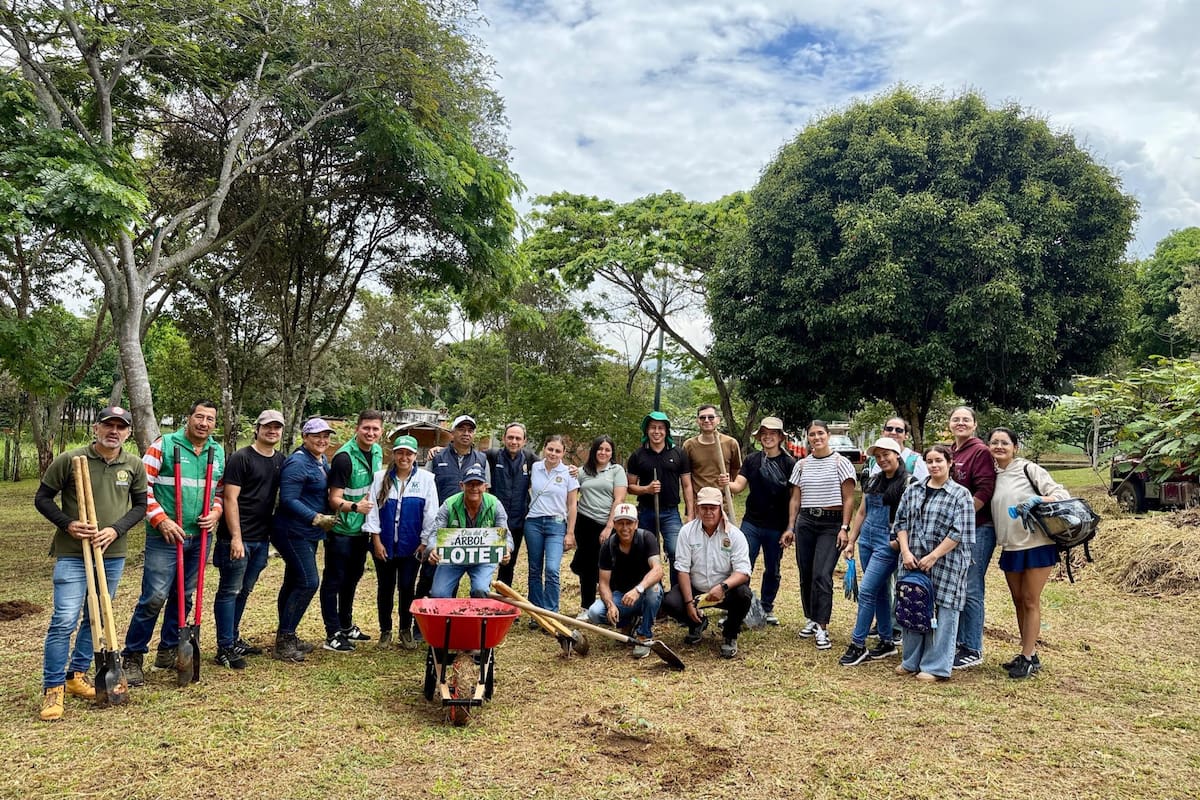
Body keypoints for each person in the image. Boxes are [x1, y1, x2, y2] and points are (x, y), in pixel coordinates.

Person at [35, 406, 147, 721]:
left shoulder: (134, 464)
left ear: (127, 432)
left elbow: (140, 506)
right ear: (96, 428)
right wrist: (68, 524)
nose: (114, 431)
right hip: (73, 553)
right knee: (64, 620)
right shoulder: (71, 460)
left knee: (96, 618)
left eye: (120, 427)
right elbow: (42, 498)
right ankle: (53, 687)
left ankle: (76, 676)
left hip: (112, 554)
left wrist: (116, 529)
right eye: (108, 425)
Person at [121, 400, 225, 686]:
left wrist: (216, 512)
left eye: (210, 419)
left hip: (200, 536)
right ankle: (132, 656)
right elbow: (142, 488)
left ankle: (168, 649)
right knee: (154, 597)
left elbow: (219, 490)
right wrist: (161, 520)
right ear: (188, 418)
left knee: (184, 596)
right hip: (165, 536)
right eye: (199, 417)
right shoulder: (164, 445)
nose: (204, 423)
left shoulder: (217, 452)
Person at [987, 427, 1070, 679]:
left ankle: (1027, 657)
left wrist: (1038, 501)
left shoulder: (1028, 469)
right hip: (1011, 546)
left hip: (1036, 544)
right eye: (994, 442)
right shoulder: (992, 474)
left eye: (1004, 443)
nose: (999, 446)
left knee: (1031, 599)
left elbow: (1061, 494)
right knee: (1018, 600)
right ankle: (1029, 652)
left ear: (1015, 447)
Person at [894, 444, 976, 681]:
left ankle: (936, 666)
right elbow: (901, 522)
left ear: (950, 463)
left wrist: (934, 556)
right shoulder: (913, 489)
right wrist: (906, 551)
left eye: (939, 460)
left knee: (945, 611)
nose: (934, 465)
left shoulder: (960, 494)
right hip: (912, 560)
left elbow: (960, 532)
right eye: (930, 461)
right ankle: (911, 661)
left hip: (947, 562)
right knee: (913, 606)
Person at [211, 409, 285, 669]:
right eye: (267, 427)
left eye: (277, 427)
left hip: (261, 538)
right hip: (236, 537)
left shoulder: (279, 460)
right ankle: (224, 646)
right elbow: (230, 498)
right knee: (229, 590)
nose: (272, 431)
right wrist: (235, 538)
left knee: (244, 589)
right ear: (257, 428)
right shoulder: (241, 458)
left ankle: (233, 638)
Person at [783, 420, 856, 650]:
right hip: (806, 521)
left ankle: (823, 627)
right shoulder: (802, 465)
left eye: (820, 433)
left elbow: (849, 498)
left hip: (830, 523)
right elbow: (795, 498)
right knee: (806, 572)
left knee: (822, 574)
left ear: (828, 435)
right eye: (812, 434)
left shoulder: (840, 462)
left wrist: (845, 527)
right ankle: (811, 618)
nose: (816, 438)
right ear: (808, 437)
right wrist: (790, 527)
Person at [271, 418, 337, 662]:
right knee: (309, 581)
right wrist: (316, 517)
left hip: (307, 533)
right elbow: (288, 499)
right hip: (292, 530)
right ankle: (284, 640)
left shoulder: (320, 460)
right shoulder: (298, 462)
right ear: (305, 437)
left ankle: (286, 634)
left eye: (326, 436)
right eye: (316, 436)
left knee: (293, 581)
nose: (322, 440)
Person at [363, 435, 438, 649]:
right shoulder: (379, 477)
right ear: (394, 454)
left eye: (409, 453)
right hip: (384, 543)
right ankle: (385, 631)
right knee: (385, 587)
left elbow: (431, 514)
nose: (404, 457)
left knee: (406, 587)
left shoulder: (426, 479)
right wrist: (376, 540)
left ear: (415, 456)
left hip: (411, 547)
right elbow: (372, 512)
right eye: (400, 452)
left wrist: (424, 542)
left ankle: (405, 629)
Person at [838, 438, 908, 666]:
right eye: (878, 456)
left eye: (886, 454)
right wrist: (851, 541)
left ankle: (858, 645)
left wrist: (897, 542)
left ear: (897, 454)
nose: (882, 459)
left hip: (886, 544)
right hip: (866, 540)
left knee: (867, 591)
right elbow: (861, 513)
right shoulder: (875, 479)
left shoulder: (908, 483)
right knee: (878, 592)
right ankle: (887, 641)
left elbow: (909, 518)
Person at [661, 487, 752, 658]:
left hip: (724, 590)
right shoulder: (686, 532)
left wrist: (723, 587)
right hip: (696, 589)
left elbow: (743, 572)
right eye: (704, 508)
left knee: (744, 595)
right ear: (697, 508)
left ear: (720, 508)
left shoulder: (735, 535)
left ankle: (730, 634)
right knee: (670, 601)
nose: (708, 512)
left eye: (713, 508)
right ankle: (697, 623)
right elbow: (682, 569)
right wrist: (688, 602)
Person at [321, 410, 382, 652]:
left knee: (353, 578)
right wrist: (356, 507)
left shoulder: (377, 452)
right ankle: (332, 633)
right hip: (342, 530)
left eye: (375, 429)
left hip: (363, 530)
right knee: (334, 580)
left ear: (381, 431)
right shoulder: (344, 458)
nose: (370, 433)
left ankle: (346, 625)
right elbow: (333, 499)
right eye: (366, 428)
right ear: (357, 428)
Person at [727, 416, 796, 626]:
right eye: (764, 433)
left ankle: (766, 606)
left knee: (772, 568)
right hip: (752, 523)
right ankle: (739, 605)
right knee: (743, 564)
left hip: (777, 526)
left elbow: (795, 496)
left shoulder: (789, 463)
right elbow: (738, 486)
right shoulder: (751, 460)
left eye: (772, 433)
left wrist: (790, 527)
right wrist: (725, 483)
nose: (768, 437)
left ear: (780, 437)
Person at [948, 406, 996, 670]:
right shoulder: (953, 452)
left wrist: (962, 520)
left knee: (972, 587)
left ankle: (972, 647)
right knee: (958, 585)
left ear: (975, 424)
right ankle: (958, 640)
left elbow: (985, 489)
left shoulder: (980, 452)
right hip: (955, 531)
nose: (961, 423)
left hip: (978, 528)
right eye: (956, 419)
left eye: (966, 419)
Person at [585, 503, 663, 658]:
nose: (625, 527)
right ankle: (628, 622)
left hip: (644, 593)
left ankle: (644, 635)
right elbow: (604, 583)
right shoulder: (608, 546)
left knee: (654, 591)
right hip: (620, 596)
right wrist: (610, 604)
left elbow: (658, 570)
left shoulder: (647, 538)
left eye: (629, 523)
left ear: (636, 524)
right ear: (614, 524)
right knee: (594, 612)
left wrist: (638, 590)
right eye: (620, 523)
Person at [425, 465, 512, 597]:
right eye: (470, 484)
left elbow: (506, 535)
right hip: (453, 557)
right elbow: (435, 533)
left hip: (483, 558)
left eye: (478, 484)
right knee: (439, 593)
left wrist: (507, 550)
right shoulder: (449, 505)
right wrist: (433, 549)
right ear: (462, 485)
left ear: (485, 486)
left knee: (481, 590)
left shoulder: (495, 505)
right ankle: (447, 617)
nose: (474, 488)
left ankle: (477, 617)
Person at [626, 411, 693, 580]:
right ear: (646, 431)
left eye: (661, 428)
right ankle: (651, 591)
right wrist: (646, 489)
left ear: (666, 431)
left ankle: (676, 595)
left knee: (676, 551)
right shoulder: (638, 455)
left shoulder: (678, 453)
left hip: (671, 513)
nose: (657, 432)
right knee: (646, 553)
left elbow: (686, 485)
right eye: (653, 428)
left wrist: (690, 513)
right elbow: (630, 487)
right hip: (646, 512)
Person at [570, 435, 627, 618]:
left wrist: (609, 526)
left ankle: (610, 604)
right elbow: (568, 484)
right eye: (600, 449)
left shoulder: (616, 470)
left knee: (607, 565)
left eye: (607, 450)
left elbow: (619, 499)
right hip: (584, 522)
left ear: (612, 453)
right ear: (594, 451)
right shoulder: (583, 471)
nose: (603, 452)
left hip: (606, 524)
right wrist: (569, 470)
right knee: (586, 566)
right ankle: (586, 606)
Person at [524, 436, 579, 615]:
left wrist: (570, 532)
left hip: (556, 524)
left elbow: (572, 504)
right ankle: (536, 612)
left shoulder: (568, 473)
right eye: (550, 449)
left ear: (563, 453)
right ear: (544, 449)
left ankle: (551, 611)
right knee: (534, 569)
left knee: (552, 569)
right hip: (534, 522)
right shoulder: (535, 467)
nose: (553, 454)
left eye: (557, 451)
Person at [486, 422, 537, 589]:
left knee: (508, 564)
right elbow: (467, 455)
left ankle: (501, 604)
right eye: (510, 437)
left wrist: (572, 469)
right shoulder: (492, 456)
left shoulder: (530, 460)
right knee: (485, 564)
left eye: (518, 438)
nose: (514, 441)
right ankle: (481, 601)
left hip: (517, 522)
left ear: (524, 441)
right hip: (492, 521)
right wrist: (440, 450)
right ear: (503, 438)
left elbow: (553, 466)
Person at [682, 404, 742, 519]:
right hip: (699, 506)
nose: (706, 420)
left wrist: (729, 485)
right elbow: (686, 481)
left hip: (723, 505)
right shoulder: (689, 445)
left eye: (711, 417)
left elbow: (736, 470)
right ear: (697, 421)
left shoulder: (731, 443)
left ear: (718, 420)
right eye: (702, 417)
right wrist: (690, 512)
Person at [867, 416, 928, 484]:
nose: (893, 432)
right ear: (883, 433)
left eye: (899, 430)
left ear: (906, 435)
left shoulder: (916, 460)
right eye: (889, 429)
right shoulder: (873, 460)